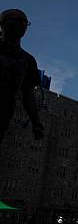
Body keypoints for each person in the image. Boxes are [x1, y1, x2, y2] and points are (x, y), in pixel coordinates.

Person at [0, 9, 44, 148]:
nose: (21, 24)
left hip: (4, 112)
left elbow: (28, 94)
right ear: (3, 24)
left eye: (24, 22)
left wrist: (36, 122)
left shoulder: (28, 60)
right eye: (16, 20)